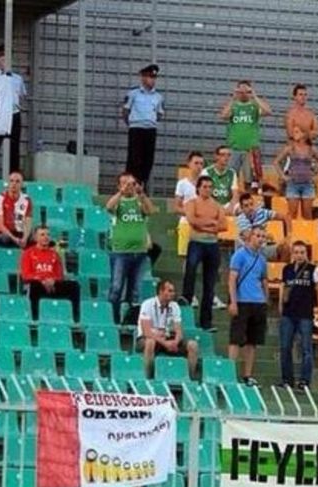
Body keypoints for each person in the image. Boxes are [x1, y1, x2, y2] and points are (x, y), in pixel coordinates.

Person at [106, 172, 156, 321]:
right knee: (116, 288)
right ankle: (112, 318)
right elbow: (108, 207)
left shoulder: (139, 202)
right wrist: (121, 193)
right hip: (121, 251)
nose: (129, 186)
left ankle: (130, 319)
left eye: (132, 183)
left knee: (135, 290)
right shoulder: (119, 202)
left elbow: (151, 211)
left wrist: (142, 194)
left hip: (139, 252)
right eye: (125, 183)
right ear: (119, 185)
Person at [182, 175, 226, 331]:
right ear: (198, 188)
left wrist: (204, 225)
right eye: (204, 186)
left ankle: (206, 322)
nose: (207, 189)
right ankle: (185, 312)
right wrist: (211, 223)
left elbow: (223, 225)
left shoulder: (217, 205)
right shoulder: (191, 203)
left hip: (212, 245)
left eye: (210, 186)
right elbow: (192, 221)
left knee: (210, 284)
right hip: (196, 243)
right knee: (190, 273)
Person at [227, 226, 269, 385]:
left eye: (263, 236)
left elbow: (264, 280)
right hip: (242, 301)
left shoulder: (262, 259)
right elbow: (232, 279)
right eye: (257, 235)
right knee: (236, 339)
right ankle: (229, 373)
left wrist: (265, 299)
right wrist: (233, 301)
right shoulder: (239, 255)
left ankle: (247, 375)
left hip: (258, 302)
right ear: (250, 237)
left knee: (253, 341)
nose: (260, 238)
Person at [137, 278, 199, 379]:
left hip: (168, 338)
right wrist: (165, 343)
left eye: (173, 291)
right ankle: (148, 378)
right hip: (148, 338)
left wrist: (175, 341)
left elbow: (178, 330)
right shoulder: (147, 304)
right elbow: (146, 331)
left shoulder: (175, 306)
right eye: (170, 291)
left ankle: (189, 378)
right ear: (161, 291)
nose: (173, 293)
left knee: (193, 345)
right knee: (150, 342)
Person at [280, 240, 318, 390]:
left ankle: (304, 381)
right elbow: (284, 289)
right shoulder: (287, 269)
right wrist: (280, 307)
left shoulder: (313, 269)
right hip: (288, 313)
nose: (299, 255)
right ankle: (286, 380)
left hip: (306, 314)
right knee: (285, 347)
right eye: (296, 252)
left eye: (302, 252)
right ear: (292, 254)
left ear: (306, 253)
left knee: (306, 349)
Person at [0, 44, 27, 180]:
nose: (4, 62)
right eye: (1, 59)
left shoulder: (17, 79)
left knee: (14, 148)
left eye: (7, 58)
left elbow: (21, 96)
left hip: (13, 114)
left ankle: (14, 178)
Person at [20, 225, 79, 320]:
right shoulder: (28, 253)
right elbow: (26, 275)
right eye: (42, 235)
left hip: (53, 285)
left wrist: (53, 281)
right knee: (34, 286)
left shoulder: (54, 254)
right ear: (35, 237)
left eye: (48, 234)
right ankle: (35, 319)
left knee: (74, 286)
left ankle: (75, 319)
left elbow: (60, 275)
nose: (46, 237)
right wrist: (42, 280)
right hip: (38, 285)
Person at [219, 80, 271, 186]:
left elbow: (268, 111)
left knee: (250, 181)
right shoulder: (234, 106)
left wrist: (254, 96)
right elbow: (223, 116)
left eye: (246, 91)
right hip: (234, 149)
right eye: (241, 91)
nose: (243, 93)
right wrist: (233, 98)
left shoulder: (254, 106)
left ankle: (248, 199)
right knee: (230, 179)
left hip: (250, 150)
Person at [122, 64, 164, 192]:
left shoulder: (158, 97)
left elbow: (159, 113)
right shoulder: (133, 93)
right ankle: (129, 185)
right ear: (143, 78)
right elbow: (125, 111)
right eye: (150, 77)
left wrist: (150, 121)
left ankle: (141, 185)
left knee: (148, 159)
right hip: (136, 129)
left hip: (150, 130)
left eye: (154, 77)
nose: (153, 80)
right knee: (134, 158)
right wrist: (132, 123)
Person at [273, 125, 318, 220]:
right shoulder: (290, 148)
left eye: (297, 132)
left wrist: (317, 176)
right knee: (292, 214)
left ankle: (307, 233)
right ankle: (290, 233)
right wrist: (283, 176)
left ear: (304, 134)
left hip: (308, 184)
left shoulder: (311, 149)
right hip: (293, 183)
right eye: (293, 132)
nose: (294, 134)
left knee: (308, 215)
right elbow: (276, 162)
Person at [235, 190, 290, 261]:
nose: (250, 208)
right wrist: (267, 235)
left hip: (263, 248)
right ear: (242, 208)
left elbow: (285, 217)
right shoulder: (241, 219)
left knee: (285, 248)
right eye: (246, 206)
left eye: (251, 204)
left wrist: (288, 236)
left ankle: (279, 271)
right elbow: (250, 238)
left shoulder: (261, 212)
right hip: (247, 250)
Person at [173, 150, 205, 257]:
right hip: (186, 224)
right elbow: (177, 207)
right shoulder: (182, 184)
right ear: (189, 164)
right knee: (186, 258)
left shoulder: (208, 184)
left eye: (201, 164)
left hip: (203, 226)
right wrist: (190, 213)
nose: (199, 166)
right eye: (196, 163)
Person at [0, 170, 33, 248]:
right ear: (8, 183)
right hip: (4, 233)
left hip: (19, 232)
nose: (14, 184)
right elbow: (0, 225)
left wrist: (25, 238)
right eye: (11, 181)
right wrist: (14, 239)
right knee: (6, 238)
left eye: (17, 181)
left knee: (34, 239)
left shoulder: (27, 200)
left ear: (22, 184)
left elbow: (28, 222)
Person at [203, 145, 239, 210]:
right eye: (223, 155)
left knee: (240, 208)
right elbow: (204, 194)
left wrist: (231, 206)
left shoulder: (232, 173)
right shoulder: (207, 172)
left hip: (227, 205)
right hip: (211, 204)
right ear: (216, 156)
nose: (226, 157)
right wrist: (218, 207)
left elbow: (235, 194)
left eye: (228, 155)